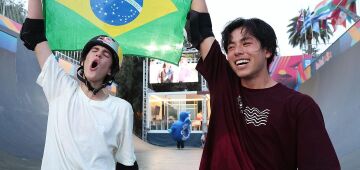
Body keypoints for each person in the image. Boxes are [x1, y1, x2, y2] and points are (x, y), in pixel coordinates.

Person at [187, 0, 340, 169]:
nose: (237, 51)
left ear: (267, 50)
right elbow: (199, 27)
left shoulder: (299, 106)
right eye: (231, 46)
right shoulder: (224, 84)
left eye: (246, 43)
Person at [20, 0, 138, 169]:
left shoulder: (122, 109)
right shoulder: (60, 87)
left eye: (105, 54)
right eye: (94, 51)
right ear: (84, 60)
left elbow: (126, 163)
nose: (97, 56)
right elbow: (33, 33)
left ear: (111, 70)